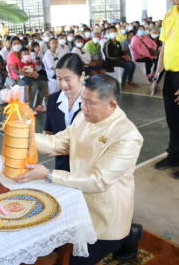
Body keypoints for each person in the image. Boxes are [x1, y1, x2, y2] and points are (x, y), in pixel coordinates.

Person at [15, 74, 144, 264]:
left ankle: (129, 234)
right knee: (46, 244)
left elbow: (98, 180)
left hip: (105, 211)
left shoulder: (127, 136)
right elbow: (59, 142)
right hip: (76, 197)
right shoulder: (82, 117)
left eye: (90, 103)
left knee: (73, 261)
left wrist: (49, 175)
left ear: (112, 105)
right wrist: (24, 134)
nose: (83, 108)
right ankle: (129, 235)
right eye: (83, 100)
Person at [151, 0, 179, 178]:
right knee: (173, 120)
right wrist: (157, 75)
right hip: (170, 75)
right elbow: (164, 48)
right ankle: (175, 155)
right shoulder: (170, 15)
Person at [43, 53, 84, 171]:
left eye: (68, 79)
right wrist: (45, 144)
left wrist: (72, 150)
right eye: (59, 79)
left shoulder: (92, 101)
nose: (63, 84)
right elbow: (48, 131)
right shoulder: (53, 99)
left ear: (82, 76)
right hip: (61, 166)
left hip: (85, 166)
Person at [7, 37, 48, 112]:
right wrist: (30, 74)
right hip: (18, 78)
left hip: (29, 76)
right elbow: (16, 71)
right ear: (11, 45)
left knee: (44, 84)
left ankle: (38, 105)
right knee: (34, 85)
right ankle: (29, 107)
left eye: (18, 43)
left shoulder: (24, 53)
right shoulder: (11, 56)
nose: (16, 45)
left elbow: (32, 66)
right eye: (14, 44)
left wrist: (34, 73)